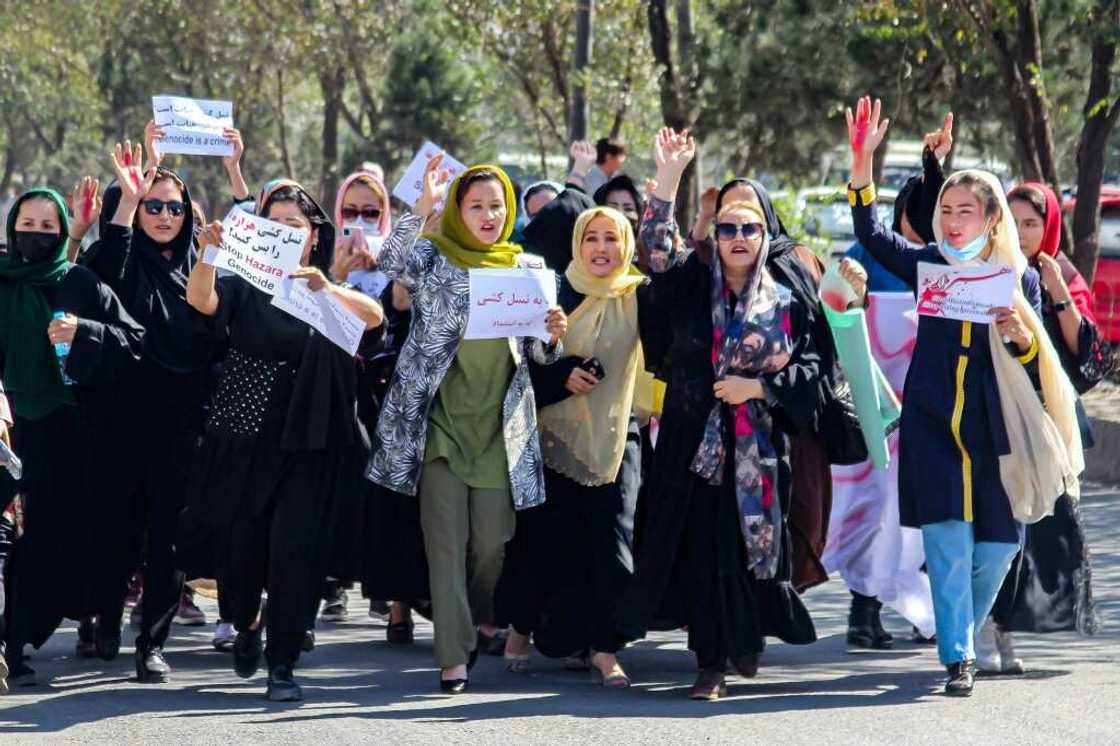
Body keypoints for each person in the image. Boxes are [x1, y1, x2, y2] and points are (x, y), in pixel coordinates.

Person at [844, 96, 1084, 696]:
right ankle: (959, 659)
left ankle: (961, 637)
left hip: (997, 433)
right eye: (946, 209)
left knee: (1000, 550)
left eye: (965, 211)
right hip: (933, 428)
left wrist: (1020, 338)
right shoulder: (928, 264)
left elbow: (1037, 365)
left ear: (990, 220)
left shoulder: (1018, 279)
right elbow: (870, 233)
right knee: (949, 546)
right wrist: (861, 163)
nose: (952, 221)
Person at [615, 129, 820, 700]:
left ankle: (743, 639)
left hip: (756, 448)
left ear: (765, 233)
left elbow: (812, 370)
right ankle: (711, 662)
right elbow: (654, 252)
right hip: (691, 445)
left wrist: (757, 386)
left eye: (749, 227)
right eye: (726, 227)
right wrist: (669, 180)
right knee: (705, 550)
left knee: (746, 548)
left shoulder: (785, 297)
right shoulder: (689, 280)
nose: (736, 237)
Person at [366, 155, 568, 693]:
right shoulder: (434, 256)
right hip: (437, 427)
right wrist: (422, 206)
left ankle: (477, 617)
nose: (486, 215)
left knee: (491, 543)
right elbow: (389, 261)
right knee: (445, 542)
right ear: (459, 210)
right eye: (475, 205)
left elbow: (542, 356)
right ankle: (452, 657)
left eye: (495, 206)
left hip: (500, 432)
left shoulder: (525, 268)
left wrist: (553, 333)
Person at [185, 178, 385, 702]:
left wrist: (328, 287)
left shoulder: (324, 286)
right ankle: (246, 623)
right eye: (272, 223)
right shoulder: (245, 284)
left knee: (297, 550)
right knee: (241, 548)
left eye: (293, 225)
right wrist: (208, 253)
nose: (283, 232)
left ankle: (283, 663)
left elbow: (374, 320)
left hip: (312, 436)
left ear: (313, 235)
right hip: (245, 432)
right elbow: (202, 300)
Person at [76, 138, 221, 682]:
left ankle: (152, 644)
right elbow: (104, 270)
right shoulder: (121, 255)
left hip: (183, 423)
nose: (163, 216)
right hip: (119, 419)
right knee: (117, 529)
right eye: (152, 206)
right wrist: (125, 202)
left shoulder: (203, 264)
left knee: (168, 538)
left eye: (174, 207)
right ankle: (107, 617)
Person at [0, 187, 145, 686]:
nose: (36, 235)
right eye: (28, 224)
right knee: (19, 538)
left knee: (64, 533)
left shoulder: (80, 283)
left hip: (73, 428)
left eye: (48, 228)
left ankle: (90, 618)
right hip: (12, 426)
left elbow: (133, 342)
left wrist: (85, 331)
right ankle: (12, 642)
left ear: (63, 234)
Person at [499, 206, 647, 686]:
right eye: (592, 239)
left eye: (611, 238)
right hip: (553, 434)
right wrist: (561, 368)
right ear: (577, 245)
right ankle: (520, 628)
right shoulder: (554, 291)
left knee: (613, 546)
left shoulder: (639, 294)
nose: (601, 249)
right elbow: (521, 365)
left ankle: (606, 649)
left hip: (616, 434)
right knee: (540, 543)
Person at [977, 181, 1109, 673]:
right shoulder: (986, 273)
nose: (1023, 233)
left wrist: (1058, 295)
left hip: (1052, 427)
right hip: (999, 422)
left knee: (1049, 533)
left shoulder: (1062, 276)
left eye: (1032, 223)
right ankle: (989, 629)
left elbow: (1092, 364)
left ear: (1048, 226)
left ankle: (1011, 628)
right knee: (999, 530)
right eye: (1014, 222)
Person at [833, 115, 952, 649]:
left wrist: (935, 166)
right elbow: (838, 307)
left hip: (935, 412)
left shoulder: (950, 268)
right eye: (922, 208)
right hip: (878, 408)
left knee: (926, 517)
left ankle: (931, 608)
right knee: (879, 512)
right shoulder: (876, 255)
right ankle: (864, 611)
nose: (927, 220)